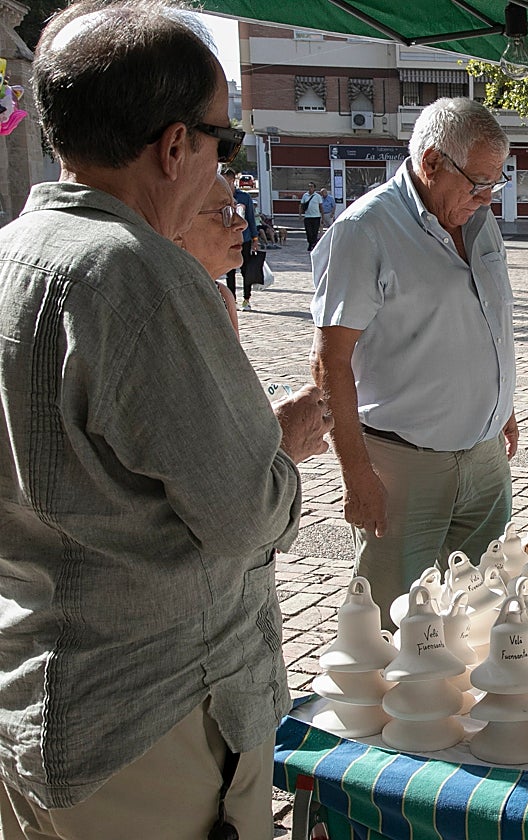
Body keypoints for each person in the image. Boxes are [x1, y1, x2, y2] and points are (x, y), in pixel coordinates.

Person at [0, 2, 333, 838]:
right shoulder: (138, 275)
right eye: (224, 140)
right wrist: (281, 455)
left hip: (34, 702)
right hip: (155, 720)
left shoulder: (12, 254)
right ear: (175, 145)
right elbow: (241, 514)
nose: (223, 167)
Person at [311, 97, 518, 624]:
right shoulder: (366, 230)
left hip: (486, 456)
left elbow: (488, 317)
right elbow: (331, 360)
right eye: (477, 183)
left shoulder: (479, 218)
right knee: (391, 622)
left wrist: (502, 406)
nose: (487, 196)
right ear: (431, 162)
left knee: (481, 613)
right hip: (404, 465)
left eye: (496, 183)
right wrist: (356, 474)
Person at [179, 173, 249, 336]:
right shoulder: (156, 305)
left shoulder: (223, 295)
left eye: (235, 209)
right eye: (225, 212)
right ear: (177, 229)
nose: (241, 223)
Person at [223, 167, 260, 310]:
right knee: (229, 271)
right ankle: (231, 301)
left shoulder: (244, 197)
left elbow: (250, 218)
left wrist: (255, 239)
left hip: (244, 238)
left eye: (227, 181)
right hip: (227, 239)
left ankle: (246, 299)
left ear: (233, 180)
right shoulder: (221, 198)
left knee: (246, 270)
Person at [300, 181, 322, 251]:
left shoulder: (318, 196)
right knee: (309, 232)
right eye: (309, 186)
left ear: (314, 188)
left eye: (311, 187)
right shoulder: (305, 195)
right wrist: (300, 214)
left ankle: (313, 244)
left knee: (315, 232)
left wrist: (323, 217)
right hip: (308, 217)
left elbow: (321, 206)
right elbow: (301, 205)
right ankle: (310, 243)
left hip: (316, 217)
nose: (310, 188)